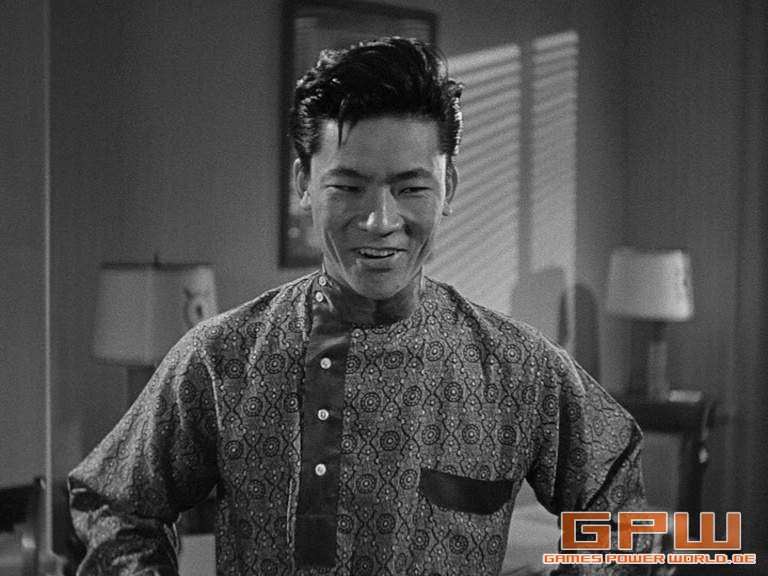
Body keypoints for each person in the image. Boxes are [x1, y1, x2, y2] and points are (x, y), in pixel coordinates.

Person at [69, 37, 650, 575]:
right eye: (348, 187)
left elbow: (623, 515)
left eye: (411, 187)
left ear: (448, 187)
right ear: (304, 183)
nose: (380, 221)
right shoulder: (222, 358)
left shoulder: (517, 367)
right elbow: (116, 503)